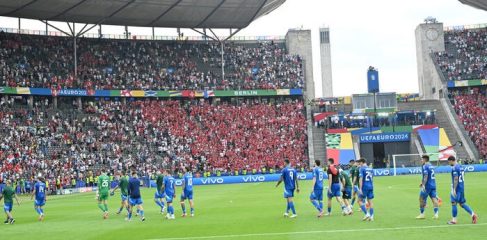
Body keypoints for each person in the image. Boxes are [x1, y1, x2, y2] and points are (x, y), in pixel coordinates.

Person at [447, 156, 478, 224]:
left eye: (449, 162)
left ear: (452, 160)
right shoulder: (461, 167)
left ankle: (454, 220)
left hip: (457, 188)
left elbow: (456, 178)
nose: (449, 163)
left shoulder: (454, 168)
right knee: (462, 203)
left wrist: (454, 189)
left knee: (453, 203)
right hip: (461, 188)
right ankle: (473, 215)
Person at [416, 155, 439, 220]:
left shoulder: (425, 166)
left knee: (421, 198)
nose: (421, 160)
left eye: (422, 159)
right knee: (434, 199)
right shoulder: (431, 165)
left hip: (427, 186)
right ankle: (436, 215)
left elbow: (426, 176)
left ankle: (422, 214)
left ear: (425, 159)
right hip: (433, 184)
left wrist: (423, 184)